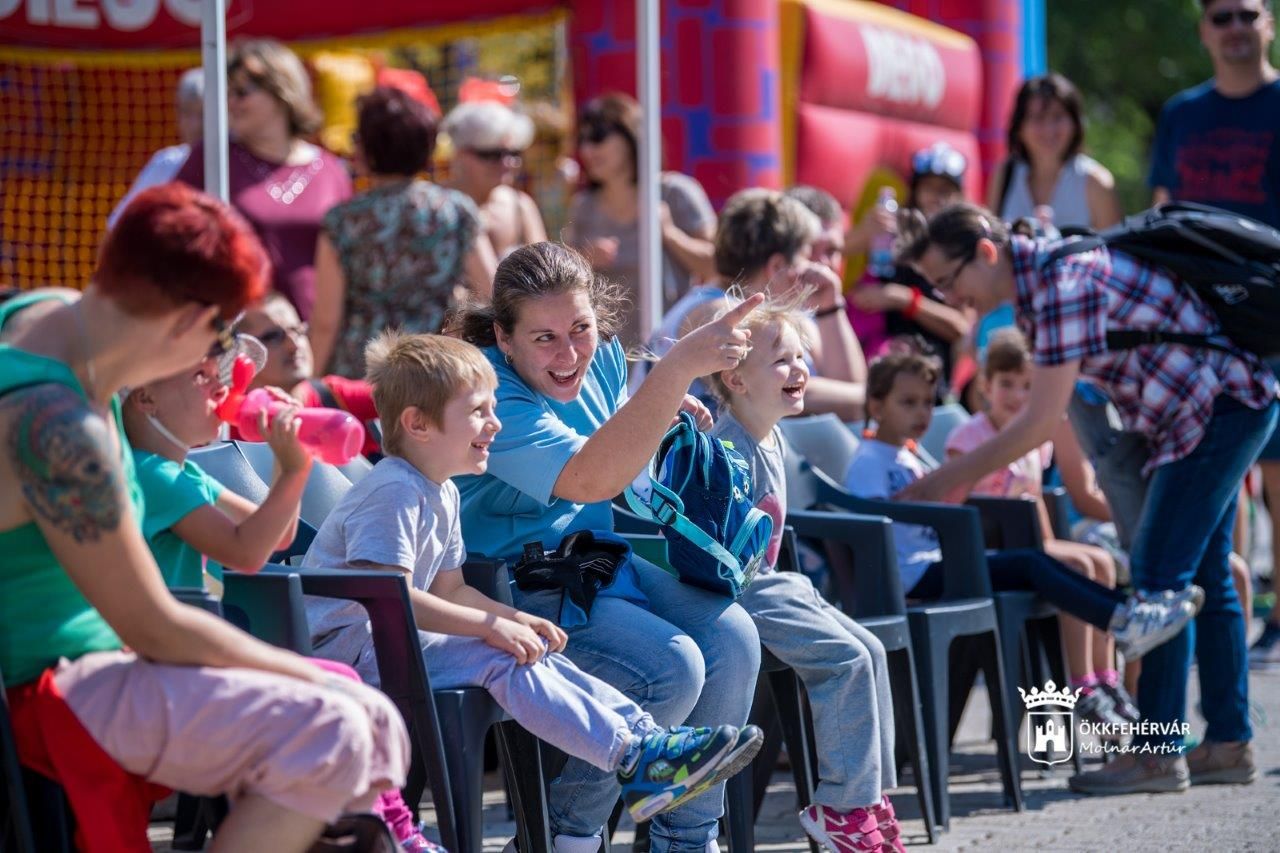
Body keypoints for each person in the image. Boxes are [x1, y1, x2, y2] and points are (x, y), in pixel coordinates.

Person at [0, 183, 408, 853]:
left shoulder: (39, 314)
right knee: (340, 725)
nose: (223, 367)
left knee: (370, 727)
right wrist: (304, 672)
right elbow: (154, 624)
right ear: (187, 319)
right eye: (222, 337)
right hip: (60, 689)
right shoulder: (64, 431)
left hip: (100, 669)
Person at [304, 330, 758, 837]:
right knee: (503, 656)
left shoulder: (440, 492)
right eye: (478, 411)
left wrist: (514, 618)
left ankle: (645, 745)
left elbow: (451, 590)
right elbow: (390, 598)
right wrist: (490, 629)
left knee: (529, 649)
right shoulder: (393, 490)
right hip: (355, 655)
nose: (494, 425)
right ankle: (634, 754)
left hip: (398, 643)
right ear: (418, 424)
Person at [894, 202, 1278, 793]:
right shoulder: (1044, 276)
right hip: (1217, 409)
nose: (952, 297)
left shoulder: (1059, 284)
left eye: (949, 280)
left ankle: (1157, 754)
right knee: (1204, 572)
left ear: (987, 253)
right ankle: (1228, 743)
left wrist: (944, 480)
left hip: (1214, 414)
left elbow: (1035, 424)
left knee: (1157, 579)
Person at [455, 242, 765, 853]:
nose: (568, 353)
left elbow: (610, 425)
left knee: (733, 638)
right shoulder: (491, 391)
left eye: (581, 328)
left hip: (598, 562)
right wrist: (676, 369)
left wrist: (658, 407)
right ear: (505, 338)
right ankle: (562, 838)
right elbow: (588, 476)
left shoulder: (602, 363)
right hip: (510, 586)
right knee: (671, 669)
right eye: (543, 338)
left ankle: (687, 840)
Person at [120, 338, 439, 851]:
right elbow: (246, 550)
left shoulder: (181, 469)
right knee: (338, 699)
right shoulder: (153, 475)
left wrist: (296, 462)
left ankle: (383, 827)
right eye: (202, 377)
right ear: (145, 399)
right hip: (166, 672)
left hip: (189, 661)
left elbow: (277, 536)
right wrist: (291, 471)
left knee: (347, 683)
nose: (222, 387)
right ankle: (376, 832)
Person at [844, 351, 1201, 664]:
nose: (923, 412)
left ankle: (1122, 620)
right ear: (876, 407)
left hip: (938, 563)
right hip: (911, 575)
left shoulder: (907, 455)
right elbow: (871, 521)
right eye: (908, 402)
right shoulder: (869, 459)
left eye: (927, 402)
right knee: (1030, 562)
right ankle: (1122, 620)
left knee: (1040, 561)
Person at [706, 295, 904, 853]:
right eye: (782, 361)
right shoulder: (727, 447)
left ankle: (869, 798)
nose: (800, 370)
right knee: (841, 661)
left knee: (870, 649)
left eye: (800, 357)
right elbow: (719, 552)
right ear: (737, 381)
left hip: (771, 582)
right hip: (737, 591)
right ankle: (841, 808)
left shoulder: (772, 434)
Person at [1149, 0, 1280, 668]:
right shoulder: (1182, 113)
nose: (1234, 27)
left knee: (1278, 471)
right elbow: (1163, 212)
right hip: (1197, 323)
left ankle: (1278, 615)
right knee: (1221, 486)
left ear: (1270, 24)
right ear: (1203, 30)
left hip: (1272, 312)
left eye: (1246, 14)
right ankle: (1239, 611)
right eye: (1221, 15)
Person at [945, 329, 1137, 727]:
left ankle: (1105, 677)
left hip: (1031, 542)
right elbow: (958, 505)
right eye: (1007, 384)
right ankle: (1080, 683)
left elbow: (1035, 501)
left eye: (1028, 386)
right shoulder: (968, 437)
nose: (1017, 395)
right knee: (1083, 568)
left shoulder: (1035, 441)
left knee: (1101, 562)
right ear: (985, 384)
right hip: (993, 549)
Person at [312, 86, 496, 379]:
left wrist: (312, 380)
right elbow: (490, 291)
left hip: (363, 371)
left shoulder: (342, 221)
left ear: (369, 149)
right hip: (439, 365)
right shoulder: (457, 210)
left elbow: (326, 319)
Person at [651, 189, 868, 420]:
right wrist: (878, 398)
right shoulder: (718, 312)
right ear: (776, 266)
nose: (815, 267)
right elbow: (778, 390)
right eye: (806, 256)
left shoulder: (785, 314)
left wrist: (830, 306)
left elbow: (850, 391)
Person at [176, 38, 352, 321]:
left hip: (320, 336)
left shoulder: (330, 170)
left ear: (282, 92)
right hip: (238, 335)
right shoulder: (211, 158)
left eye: (242, 92)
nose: (231, 103)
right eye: (228, 93)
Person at [566, 93, 717, 348]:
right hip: (605, 353)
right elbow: (562, 283)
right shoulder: (583, 206)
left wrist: (670, 234)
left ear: (631, 137)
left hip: (671, 348)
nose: (587, 150)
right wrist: (586, 258)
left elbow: (717, 267)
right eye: (582, 140)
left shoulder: (675, 192)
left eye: (598, 137)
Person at [840, 145, 973, 395]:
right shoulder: (893, 232)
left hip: (928, 379)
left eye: (946, 190)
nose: (937, 197)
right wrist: (862, 234)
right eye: (930, 188)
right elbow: (827, 255)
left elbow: (962, 327)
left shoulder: (962, 248)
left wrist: (903, 299)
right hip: (873, 366)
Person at [237, 293, 382, 458]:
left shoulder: (335, 397)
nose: (294, 345)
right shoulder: (224, 428)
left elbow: (409, 392)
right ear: (240, 352)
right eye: (273, 337)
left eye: (298, 331)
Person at [988, 73, 1123, 231]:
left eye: (1058, 117)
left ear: (1076, 125)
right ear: (1019, 127)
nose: (1049, 129)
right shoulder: (1005, 174)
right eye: (1038, 118)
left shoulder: (1097, 183)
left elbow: (1116, 252)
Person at [443, 100, 547, 260]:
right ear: (460, 155)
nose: (507, 163)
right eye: (491, 154)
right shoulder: (438, 207)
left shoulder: (520, 206)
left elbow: (546, 273)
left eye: (514, 153)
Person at [107, 68, 204, 231]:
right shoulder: (167, 162)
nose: (195, 125)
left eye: (203, 114)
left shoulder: (240, 161)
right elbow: (120, 224)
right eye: (187, 113)